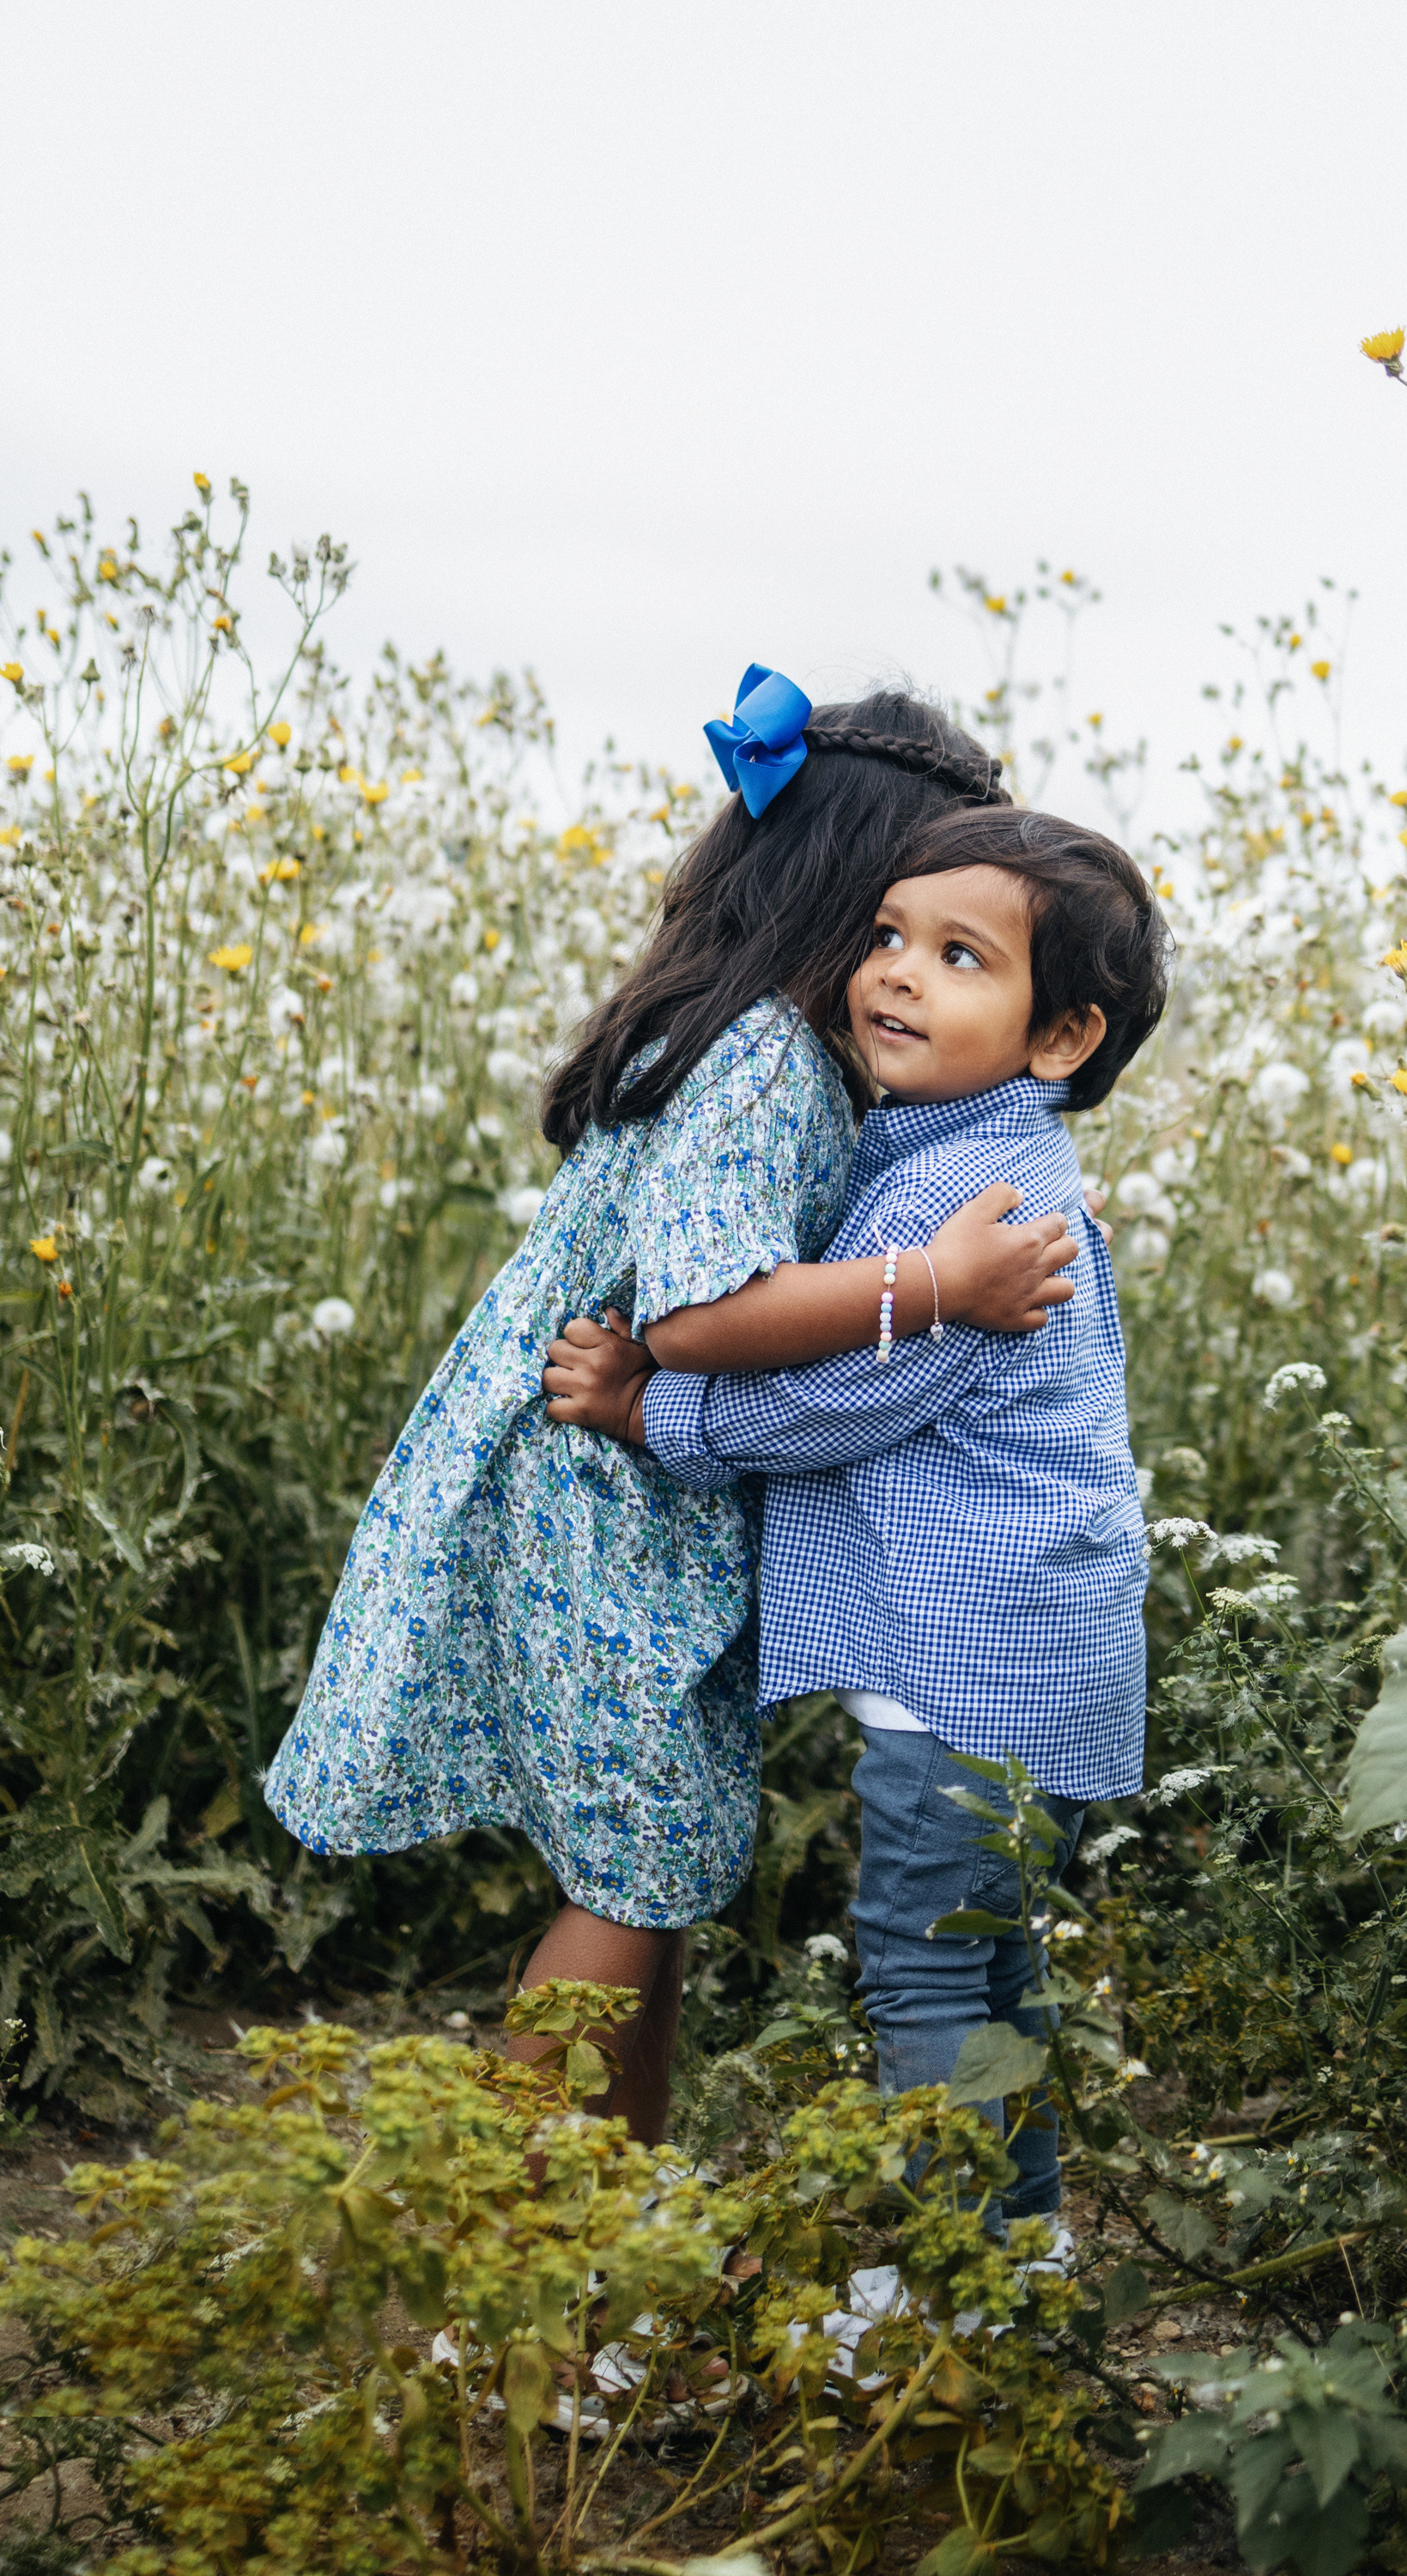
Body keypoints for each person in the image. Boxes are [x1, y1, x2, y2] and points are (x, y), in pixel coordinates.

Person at [263, 672, 1086, 2145]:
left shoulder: (723, 1025)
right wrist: (937, 1283)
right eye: (901, 923)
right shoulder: (770, 1063)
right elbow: (699, 1318)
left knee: (653, 1869)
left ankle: (604, 2243)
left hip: (598, 1495)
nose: (908, 969)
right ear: (851, 889)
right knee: (639, 1876)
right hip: (604, 1500)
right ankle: (509, 2277)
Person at [546, 803, 1173, 2227]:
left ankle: (938, 2292)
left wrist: (650, 1409)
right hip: (1020, 1653)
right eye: (888, 936)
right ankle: (1011, 2273)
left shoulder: (974, 1202)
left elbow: (832, 1403)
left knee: (924, 1962)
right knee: (991, 1965)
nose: (894, 972)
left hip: (968, 1664)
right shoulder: (950, 1162)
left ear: (1060, 1036)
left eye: (959, 957)